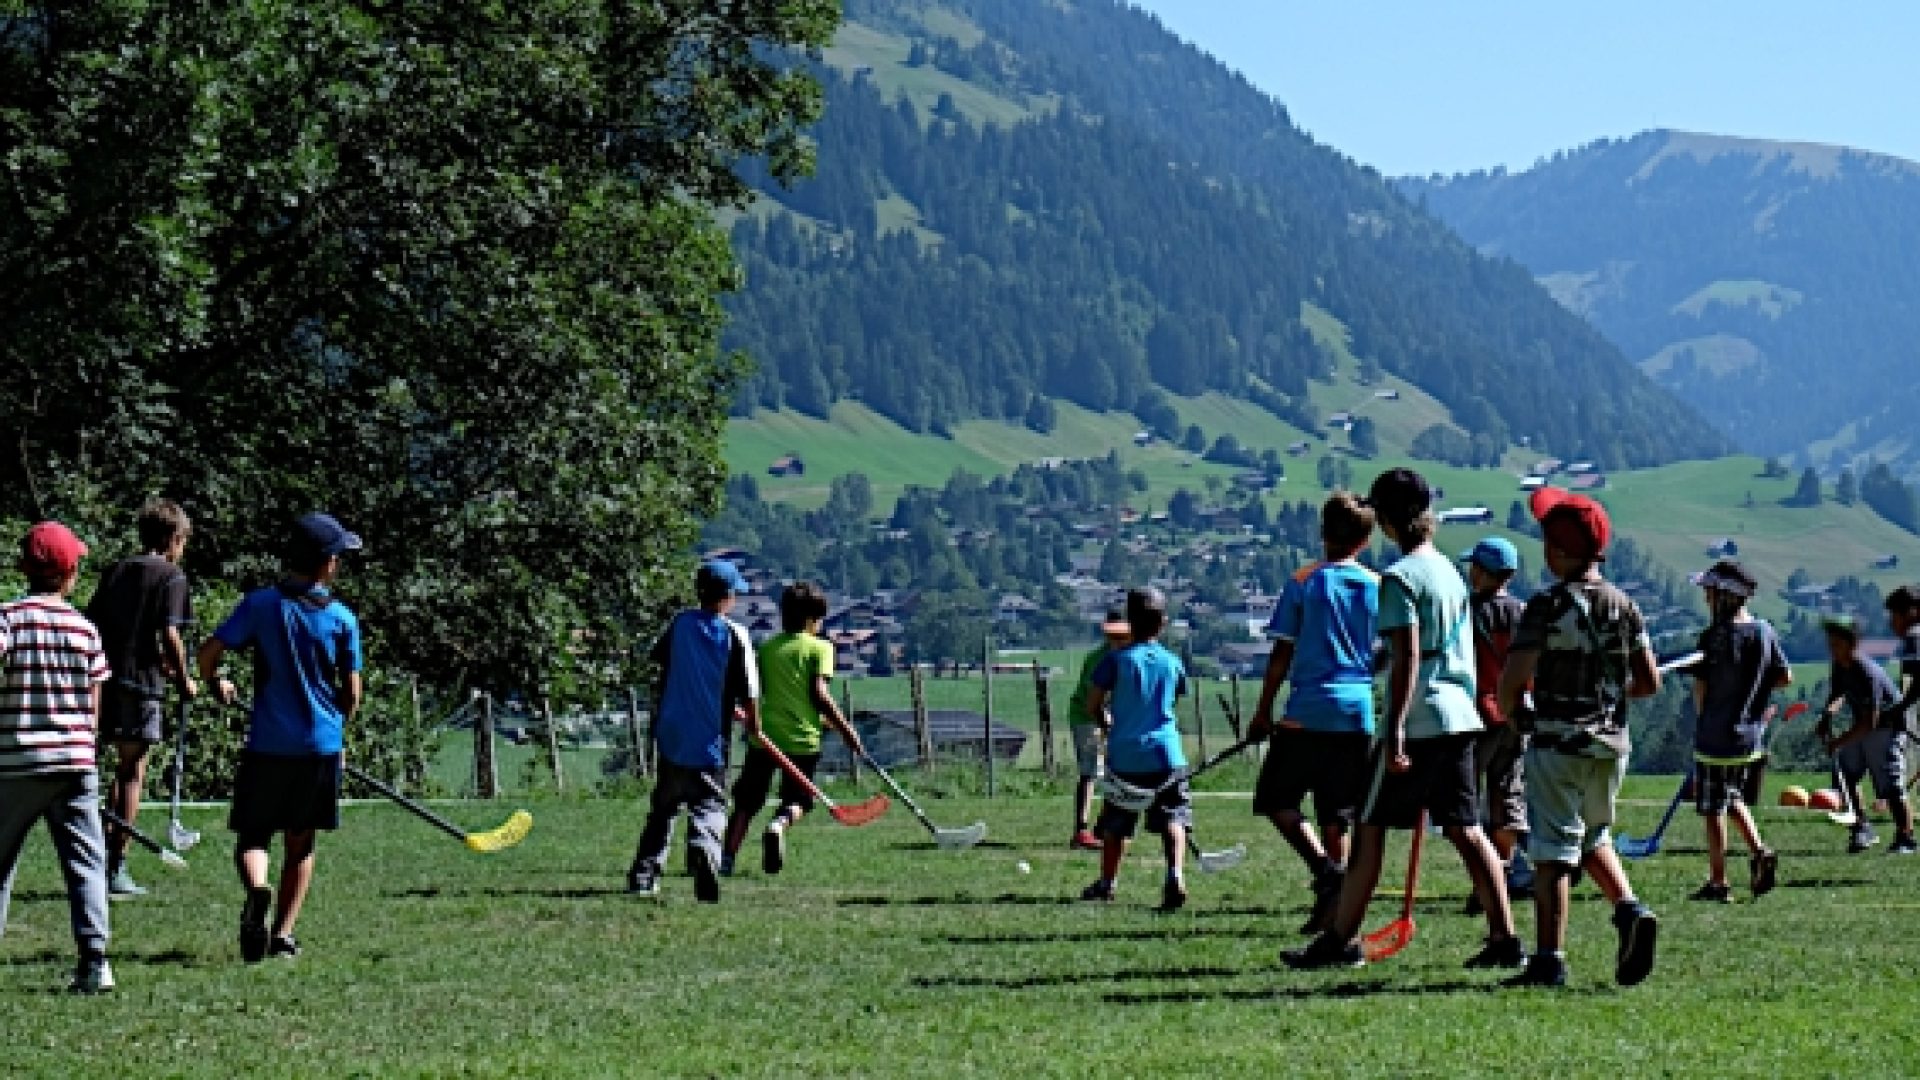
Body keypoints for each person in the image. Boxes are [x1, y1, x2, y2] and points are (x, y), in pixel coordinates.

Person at [1285, 469, 1523, 972]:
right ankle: (1505, 936)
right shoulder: (1448, 572)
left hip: (1418, 721)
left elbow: (1407, 655)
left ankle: (1340, 941)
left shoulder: (1399, 578)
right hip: (1459, 715)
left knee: (1369, 829)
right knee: (1467, 830)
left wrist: (1393, 730)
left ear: (1388, 521)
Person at [1496, 487, 1661, 989]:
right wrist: (1607, 697)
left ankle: (1549, 958)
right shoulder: (1625, 605)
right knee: (1593, 836)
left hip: (1556, 744)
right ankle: (1630, 910)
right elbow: (1648, 682)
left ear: (1559, 553)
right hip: (1610, 748)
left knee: (1549, 855)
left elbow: (1511, 683)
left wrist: (1516, 715)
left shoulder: (1545, 607)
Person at [197, 513, 364, 963]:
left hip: (267, 744)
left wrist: (217, 682)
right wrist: (338, 729)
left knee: (253, 836)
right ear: (327, 564)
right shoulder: (341, 619)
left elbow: (208, 654)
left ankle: (257, 889)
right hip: (319, 746)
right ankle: (284, 935)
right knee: (301, 842)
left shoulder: (260, 605)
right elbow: (351, 690)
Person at [1248, 492, 1378, 934]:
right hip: (1356, 710)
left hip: (1308, 707)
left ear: (1323, 532)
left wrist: (1264, 708)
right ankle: (1334, 905)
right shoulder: (1376, 586)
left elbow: (1282, 650)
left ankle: (1325, 871)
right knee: (1336, 811)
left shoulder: (1304, 580)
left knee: (1277, 799)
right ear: (1366, 538)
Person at [0, 523, 114, 993]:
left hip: (17, 760)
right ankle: (95, 959)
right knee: (87, 862)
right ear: (69, 575)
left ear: (25, 567)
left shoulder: (7, 619)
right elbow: (94, 702)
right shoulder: (84, 629)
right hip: (75, 761)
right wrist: (86, 744)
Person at [85, 499, 197, 899]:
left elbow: (94, 624)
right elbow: (170, 634)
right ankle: (116, 867)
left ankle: (97, 858)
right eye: (183, 541)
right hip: (141, 686)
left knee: (105, 771)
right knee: (132, 772)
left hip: (102, 681)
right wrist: (184, 678)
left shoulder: (116, 571)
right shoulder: (171, 577)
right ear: (172, 539)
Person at [629, 559, 759, 902]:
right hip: (710, 740)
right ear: (729, 597)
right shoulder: (735, 635)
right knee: (710, 804)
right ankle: (704, 851)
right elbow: (750, 690)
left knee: (664, 808)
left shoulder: (680, 624)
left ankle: (645, 875)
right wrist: (754, 726)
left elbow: (663, 663)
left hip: (673, 731)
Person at [721, 581, 863, 877]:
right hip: (802, 740)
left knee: (747, 801)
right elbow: (819, 695)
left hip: (765, 737)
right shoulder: (821, 648)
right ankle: (778, 825)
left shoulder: (768, 648)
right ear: (812, 619)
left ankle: (726, 860)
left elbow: (760, 692)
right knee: (800, 800)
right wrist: (846, 729)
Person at [1080, 588, 1192, 912]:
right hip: (1166, 754)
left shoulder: (1115, 660)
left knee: (1116, 822)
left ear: (1130, 622)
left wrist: (1107, 724)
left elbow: (1093, 703)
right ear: (1163, 623)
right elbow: (1175, 697)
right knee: (1174, 817)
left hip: (1126, 753)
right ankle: (1174, 873)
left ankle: (1107, 883)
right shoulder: (1172, 662)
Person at [1686, 561, 1790, 901]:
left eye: (1709, 591)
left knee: (1713, 809)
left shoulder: (1714, 637)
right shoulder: (1764, 632)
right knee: (1730, 795)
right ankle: (1759, 851)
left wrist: (1703, 722)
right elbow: (1784, 677)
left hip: (1715, 734)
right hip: (1748, 736)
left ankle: (1718, 882)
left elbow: (1701, 689)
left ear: (1724, 597)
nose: (1705, 597)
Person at [1461, 536, 1532, 906]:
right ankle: (1503, 870)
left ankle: (1485, 880)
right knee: (1507, 795)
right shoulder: (1524, 613)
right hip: (1516, 714)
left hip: (1477, 715)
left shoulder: (1467, 612)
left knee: (1468, 801)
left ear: (1481, 572)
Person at [1820, 612, 1914, 854]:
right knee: (1845, 775)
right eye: (1830, 644)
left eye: (1837, 644)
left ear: (1852, 644)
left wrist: (1839, 740)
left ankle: (1906, 838)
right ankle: (1862, 828)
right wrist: (1827, 715)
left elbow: (1869, 722)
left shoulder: (1866, 671)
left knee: (1891, 785)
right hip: (1862, 725)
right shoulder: (1840, 665)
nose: (1833, 649)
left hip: (1887, 729)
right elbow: (1837, 694)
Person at [1067, 610, 1130, 851]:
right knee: (1091, 771)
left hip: (1108, 718)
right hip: (1086, 717)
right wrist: (1106, 721)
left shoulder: (1124, 655)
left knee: (1112, 774)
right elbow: (1093, 697)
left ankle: (1102, 827)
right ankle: (1081, 831)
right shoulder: (1099, 658)